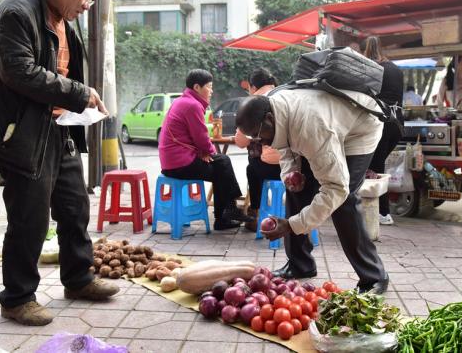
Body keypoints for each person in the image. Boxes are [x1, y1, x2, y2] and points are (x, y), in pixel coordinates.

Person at [0, 0, 118, 326]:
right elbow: (19, 72)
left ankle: (78, 279)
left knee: (75, 205)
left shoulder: (63, 19)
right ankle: (17, 298)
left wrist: (75, 105)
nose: (88, 6)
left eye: (93, 0)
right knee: (30, 216)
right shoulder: (17, 12)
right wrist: (80, 93)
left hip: (56, 126)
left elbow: (61, 70)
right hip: (19, 132)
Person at [236, 90, 389, 294]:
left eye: (256, 135)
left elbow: (335, 188)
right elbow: (284, 145)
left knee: (344, 201)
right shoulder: (275, 109)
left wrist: (292, 225)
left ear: (270, 119)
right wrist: (291, 174)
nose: (258, 142)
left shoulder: (311, 128)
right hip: (326, 124)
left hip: (360, 128)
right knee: (297, 188)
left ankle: (374, 276)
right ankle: (300, 264)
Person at [159, 69, 251, 230]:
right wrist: (209, 152)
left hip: (173, 162)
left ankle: (227, 213)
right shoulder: (192, 105)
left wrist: (206, 153)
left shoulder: (182, 101)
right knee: (222, 163)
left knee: (221, 165)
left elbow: (195, 139)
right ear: (197, 87)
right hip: (180, 164)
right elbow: (201, 138)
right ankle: (227, 213)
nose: (211, 91)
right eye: (209, 86)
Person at [363, 36, 404, 225]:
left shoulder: (371, 68)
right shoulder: (395, 68)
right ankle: (373, 209)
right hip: (397, 125)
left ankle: (383, 213)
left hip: (381, 123)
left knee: (375, 167)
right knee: (375, 165)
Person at [234, 68, 281, 231]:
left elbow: (240, 141)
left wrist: (252, 139)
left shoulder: (253, 103)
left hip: (273, 168)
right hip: (298, 168)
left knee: (252, 166)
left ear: (253, 87)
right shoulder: (285, 95)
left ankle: (256, 212)